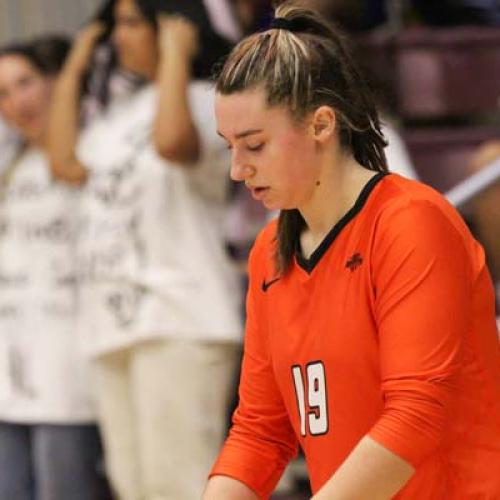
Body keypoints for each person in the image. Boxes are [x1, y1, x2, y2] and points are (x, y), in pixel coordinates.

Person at [203, 2, 500, 499]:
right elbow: (260, 429)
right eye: (228, 146)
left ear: (322, 124)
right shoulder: (269, 253)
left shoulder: (411, 223)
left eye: (254, 145)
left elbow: (414, 416)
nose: (238, 169)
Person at [48, 1, 242, 499]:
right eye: (115, 26)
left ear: (171, 24)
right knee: (133, 486)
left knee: (179, 482)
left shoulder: (206, 99)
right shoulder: (116, 119)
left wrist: (176, 53)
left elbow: (173, 144)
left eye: (132, 24)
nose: (119, 37)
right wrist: (79, 58)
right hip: (113, 327)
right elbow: (64, 162)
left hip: (179, 318)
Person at [0, 38, 106, 500]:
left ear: (55, 83)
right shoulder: (10, 167)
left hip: (71, 377)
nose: (16, 102)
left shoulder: (90, 154)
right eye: (2, 93)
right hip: (11, 378)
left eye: (25, 83)